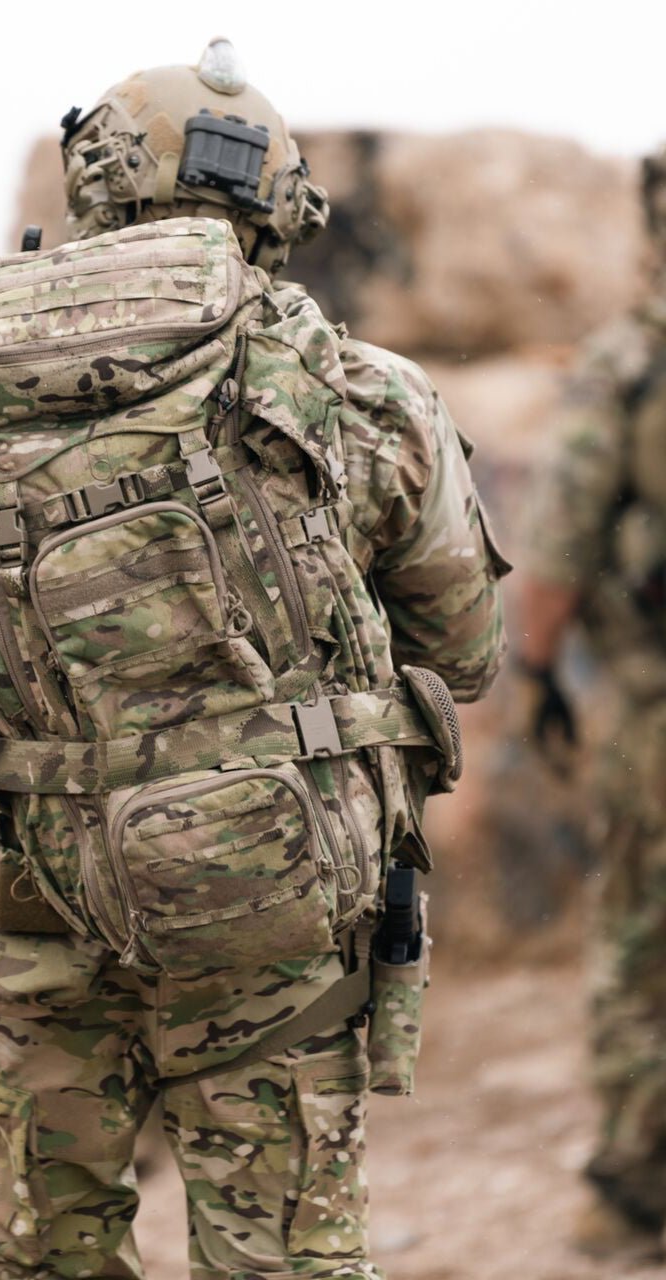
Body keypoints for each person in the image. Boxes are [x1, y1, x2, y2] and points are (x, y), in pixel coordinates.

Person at [0, 41, 508, 1280]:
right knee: (280, 1259)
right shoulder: (359, 390)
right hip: (271, 894)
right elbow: (459, 652)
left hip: (25, 895)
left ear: (90, 188)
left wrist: (41, 799)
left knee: (38, 1256)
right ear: (281, 205)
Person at [519, 144, 666, 1264]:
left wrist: (538, 672)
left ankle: (632, 1195)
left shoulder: (629, 363)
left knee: (640, 948)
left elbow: (561, 540)